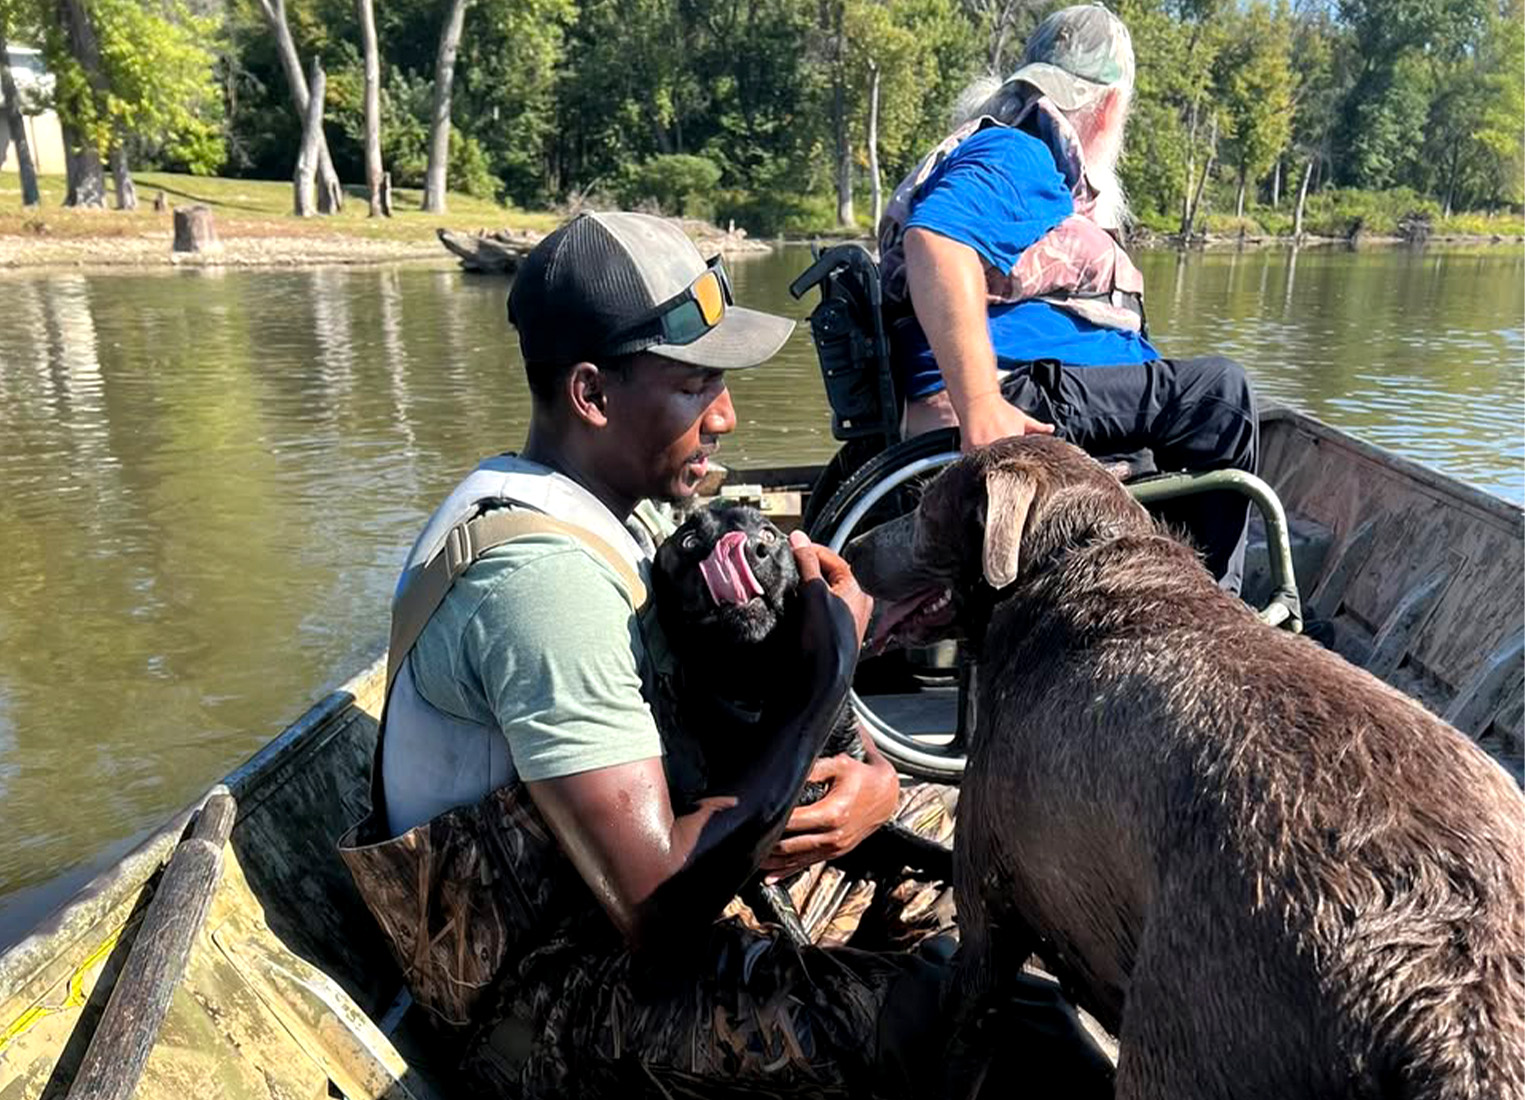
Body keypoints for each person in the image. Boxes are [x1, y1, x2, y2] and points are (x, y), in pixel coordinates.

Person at [339, 211, 1114, 1097]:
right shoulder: (540, 580)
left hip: (628, 927)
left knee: (1007, 897)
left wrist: (869, 780)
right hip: (548, 1013)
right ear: (591, 394)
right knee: (1002, 1027)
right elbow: (657, 910)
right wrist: (821, 684)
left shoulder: (619, 509)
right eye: (695, 384)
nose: (726, 416)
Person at [878, 3, 1259, 593]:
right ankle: (1216, 607)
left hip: (1039, 390)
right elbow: (936, 242)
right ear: (1109, 108)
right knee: (1220, 396)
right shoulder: (1021, 153)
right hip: (1016, 395)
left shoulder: (1019, 153)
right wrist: (981, 405)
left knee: (1187, 405)